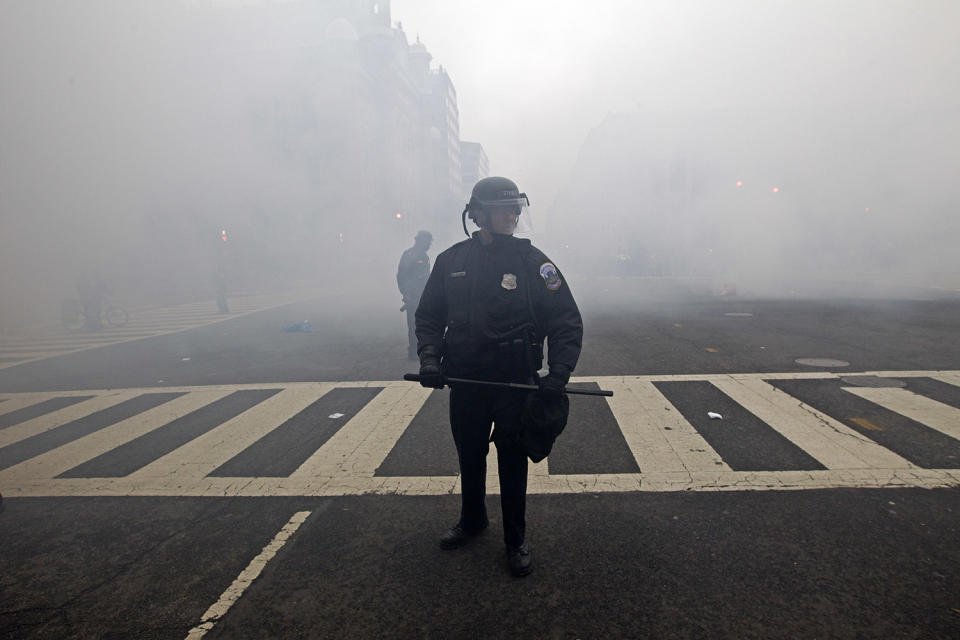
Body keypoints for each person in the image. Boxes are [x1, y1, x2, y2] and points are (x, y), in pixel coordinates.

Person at [414, 177, 583, 577]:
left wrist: (557, 374)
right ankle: (472, 521)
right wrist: (430, 360)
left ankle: (515, 537)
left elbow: (565, 321)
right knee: (469, 456)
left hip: (515, 384)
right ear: (478, 214)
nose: (513, 215)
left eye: (515, 208)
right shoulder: (452, 261)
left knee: (512, 461)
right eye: (504, 208)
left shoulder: (533, 262)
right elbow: (429, 317)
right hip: (467, 384)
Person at [397, 230, 433, 359]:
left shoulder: (424, 256)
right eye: (427, 242)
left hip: (423, 296)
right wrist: (406, 293)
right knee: (413, 325)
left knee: (423, 324)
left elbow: (425, 277)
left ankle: (419, 350)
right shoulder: (409, 255)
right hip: (413, 296)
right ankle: (413, 351)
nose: (429, 245)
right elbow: (402, 276)